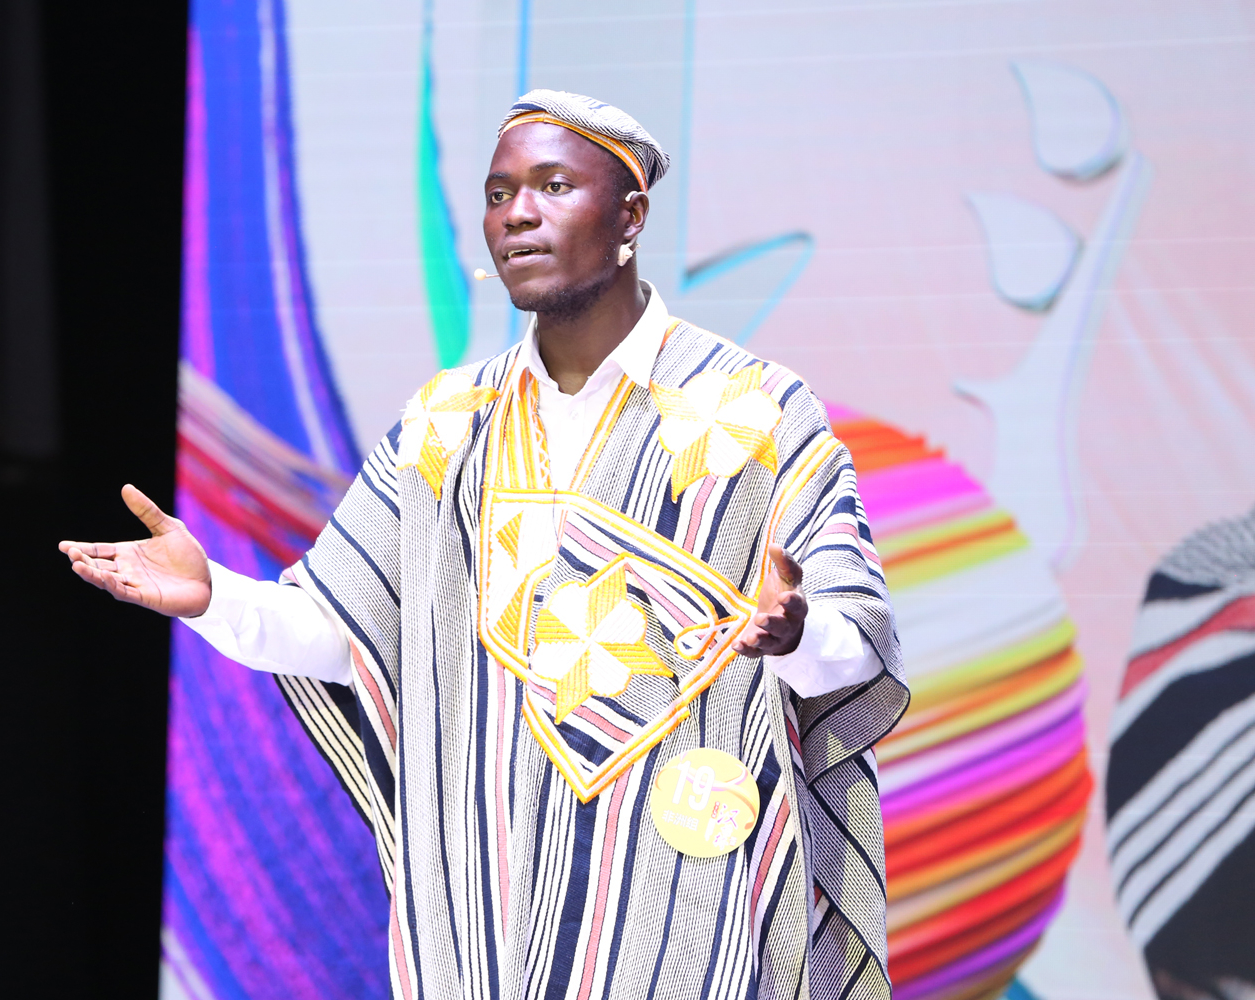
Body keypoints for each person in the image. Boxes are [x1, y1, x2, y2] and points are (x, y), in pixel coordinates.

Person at [61, 90, 908, 1000]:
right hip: (482, 911)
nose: (517, 215)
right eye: (499, 194)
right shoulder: (447, 422)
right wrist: (216, 597)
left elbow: (858, 635)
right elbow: (346, 633)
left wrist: (797, 633)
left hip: (679, 897)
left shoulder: (753, 410)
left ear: (631, 217)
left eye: (553, 186)